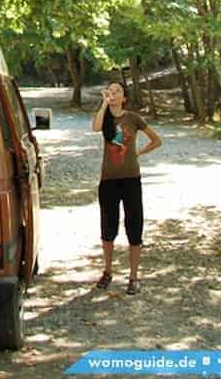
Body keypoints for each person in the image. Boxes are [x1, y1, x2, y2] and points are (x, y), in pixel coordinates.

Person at [91, 79, 162, 295]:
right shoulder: (105, 118)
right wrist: (103, 104)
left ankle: (133, 277)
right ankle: (108, 271)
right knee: (108, 228)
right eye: (110, 90)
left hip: (131, 180)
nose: (112, 93)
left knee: (134, 227)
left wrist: (138, 153)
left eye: (117, 91)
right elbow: (95, 128)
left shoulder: (133, 118)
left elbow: (156, 140)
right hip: (108, 181)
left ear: (125, 97)